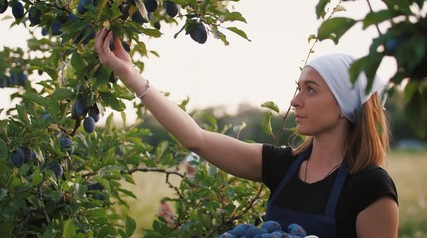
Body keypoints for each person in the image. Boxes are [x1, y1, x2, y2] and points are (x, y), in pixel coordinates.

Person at [94, 28, 399, 237]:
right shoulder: (283, 166)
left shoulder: (370, 186)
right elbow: (195, 139)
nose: (295, 100)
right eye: (298, 88)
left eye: (311, 90)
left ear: (343, 105)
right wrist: (129, 75)